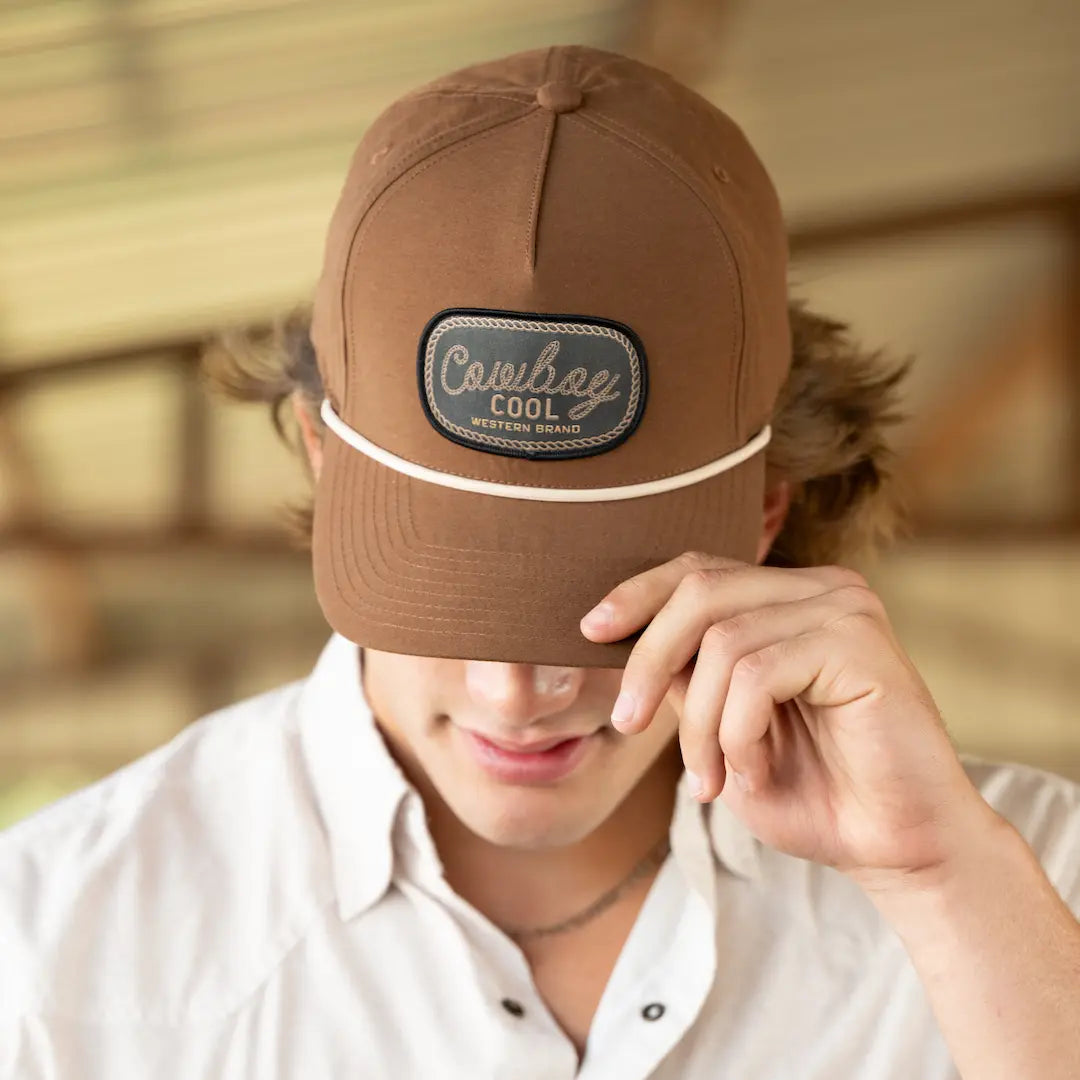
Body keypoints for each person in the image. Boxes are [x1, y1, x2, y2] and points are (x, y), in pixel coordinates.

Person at [2, 43, 1079, 1080]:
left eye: (596, 607)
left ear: (765, 509)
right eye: (450, 593)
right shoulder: (53, 943)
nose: (517, 691)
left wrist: (943, 884)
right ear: (325, 456)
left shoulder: (1032, 880)